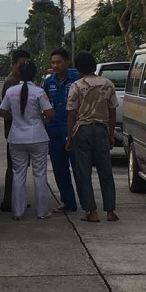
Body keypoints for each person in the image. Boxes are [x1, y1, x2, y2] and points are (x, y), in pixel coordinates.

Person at [66, 51, 119, 223]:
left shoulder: (76, 86)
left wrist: (69, 137)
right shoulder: (107, 84)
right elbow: (112, 111)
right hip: (102, 130)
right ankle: (110, 211)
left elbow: (72, 113)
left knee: (84, 172)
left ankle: (92, 211)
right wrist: (111, 134)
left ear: (78, 68)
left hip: (83, 130)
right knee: (106, 172)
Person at [0, 60, 53, 220]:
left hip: (16, 138)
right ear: (35, 75)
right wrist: (41, 118)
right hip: (37, 137)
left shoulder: (11, 91)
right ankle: (42, 211)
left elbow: (2, 112)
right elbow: (50, 113)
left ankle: (18, 212)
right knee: (40, 174)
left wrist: (15, 117)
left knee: (18, 174)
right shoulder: (39, 92)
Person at [43, 47, 80, 213]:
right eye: (53, 62)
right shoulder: (48, 82)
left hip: (74, 129)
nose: (55, 65)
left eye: (58, 62)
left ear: (67, 62)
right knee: (60, 169)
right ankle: (68, 202)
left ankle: (87, 203)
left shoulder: (76, 79)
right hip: (54, 130)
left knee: (79, 168)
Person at [0, 48, 31, 213]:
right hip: (15, 131)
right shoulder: (12, 82)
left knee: (17, 167)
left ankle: (14, 200)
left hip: (18, 130)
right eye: (21, 64)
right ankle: (9, 201)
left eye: (26, 65)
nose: (24, 67)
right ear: (14, 64)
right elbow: (5, 111)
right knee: (14, 168)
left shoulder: (19, 81)